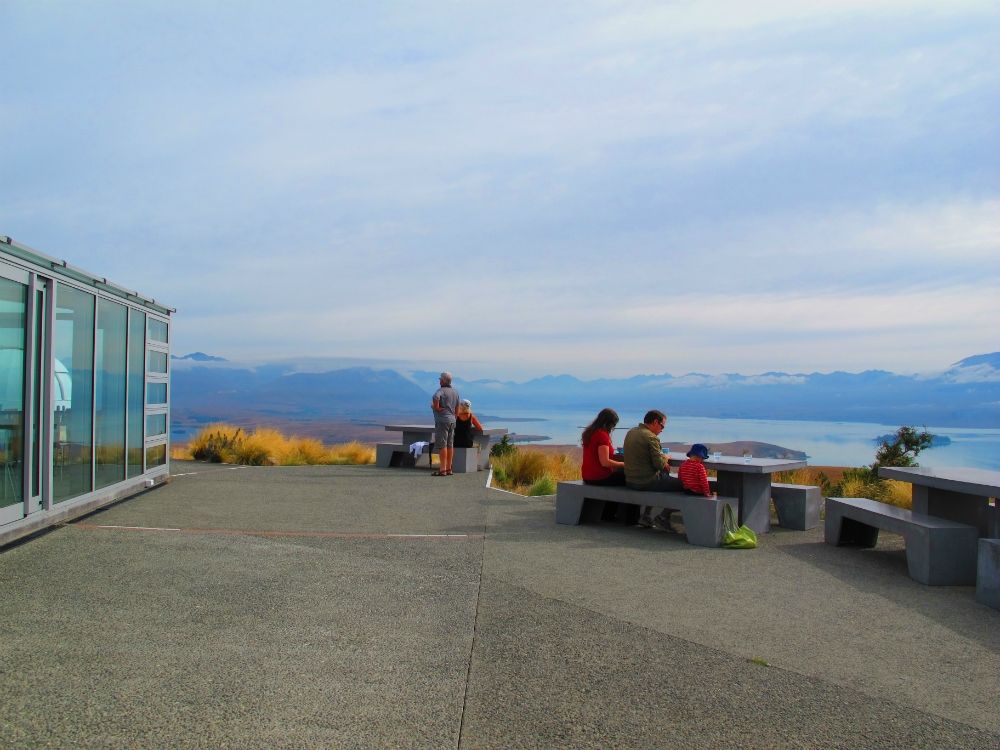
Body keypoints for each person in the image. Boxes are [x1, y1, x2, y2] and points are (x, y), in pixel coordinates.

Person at [623, 409, 683, 530]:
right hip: (646, 482)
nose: (662, 430)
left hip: (630, 481)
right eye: (662, 426)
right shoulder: (651, 437)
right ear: (655, 422)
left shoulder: (631, 432)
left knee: (664, 475)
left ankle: (647, 515)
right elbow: (659, 464)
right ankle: (663, 517)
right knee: (686, 485)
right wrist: (665, 457)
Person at [581, 408, 626, 486]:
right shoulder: (602, 435)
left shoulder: (589, 432)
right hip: (600, 477)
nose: (613, 428)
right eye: (613, 425)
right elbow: (605, 462)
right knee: (631, 479)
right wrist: (623, 464)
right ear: (608, 423)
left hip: (587, 476)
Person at [431, 371, 460, 476]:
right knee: (450, 444)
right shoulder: (455, 392)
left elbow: (435, 397)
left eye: (440, 380)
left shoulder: (441, 390)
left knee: (442, 445)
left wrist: (436, 407)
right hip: (452, 421)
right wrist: (454, 417)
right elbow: (457, 408)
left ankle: (442, 469)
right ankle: (449, 469)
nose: (439, 381)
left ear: (443, 381)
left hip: (442, 421)